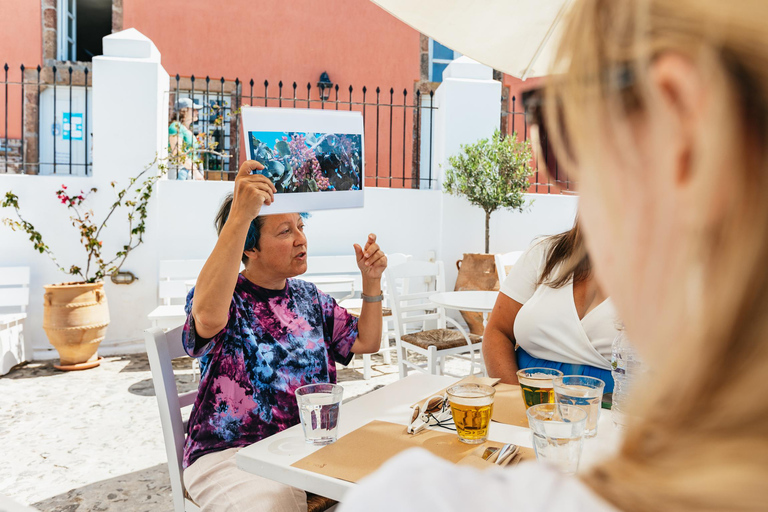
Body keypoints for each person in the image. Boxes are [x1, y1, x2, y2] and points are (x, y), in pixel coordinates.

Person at [340, 1, 768, 511]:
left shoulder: (418, 499)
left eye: (563, 123)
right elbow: (498, 331)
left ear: (676, 133)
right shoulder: (550, 255)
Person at [182, 160, 388, 512]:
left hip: (306, 445)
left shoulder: (309, 297)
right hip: (231, 455)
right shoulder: (226, 297)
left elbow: (366, 341)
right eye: (284, 232)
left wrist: (372, 281)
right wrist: (240, 217)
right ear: (250, 247)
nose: (301, 239)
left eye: (300, 226)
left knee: (397, 476)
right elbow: (206, 316)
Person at [483, 221, 619, 392]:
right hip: (525, 396)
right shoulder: (544, 252)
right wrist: (514, 397)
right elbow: (498, 331)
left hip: (617, 404)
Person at [169, 97, 204, 181]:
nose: (197, 112)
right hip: (181, 172)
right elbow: (177, 152)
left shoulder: (187, 129)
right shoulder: (176, 126)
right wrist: (195, 172)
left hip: (189, 171)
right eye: (193, 109)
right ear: (184, 111)